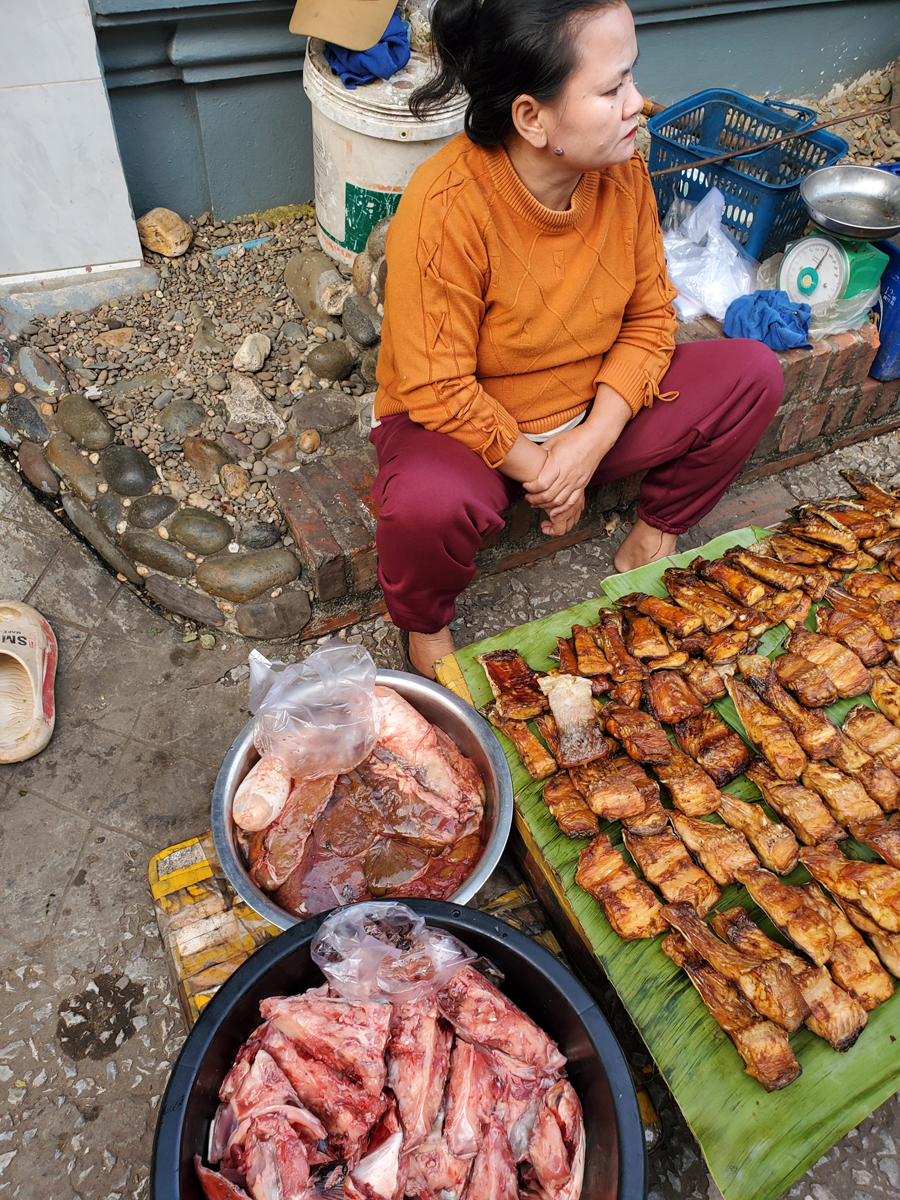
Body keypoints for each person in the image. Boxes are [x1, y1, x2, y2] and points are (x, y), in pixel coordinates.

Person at [370, 0, 783, 678]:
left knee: (754, 375)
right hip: (472, 437)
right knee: (421, 506)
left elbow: (650, 320)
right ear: (532, 118)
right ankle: (426, 627)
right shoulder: (445, 208)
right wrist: (546, 475)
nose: (638, 103)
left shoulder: (623, 173)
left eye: (632, 78)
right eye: (612, 88)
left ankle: (653, 535)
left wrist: (589, 444)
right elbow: (438, 387)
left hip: (593, 412)